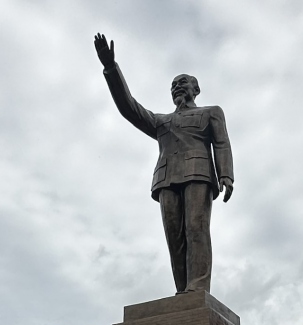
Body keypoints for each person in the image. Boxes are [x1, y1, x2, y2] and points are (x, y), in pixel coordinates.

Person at [94, 33, 234, 295]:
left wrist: (226, 174)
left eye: (182, 83)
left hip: (199, 174)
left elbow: (222, 143)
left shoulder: (211, 112)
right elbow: (129, 108)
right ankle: (183, 292)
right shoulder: (161, 122)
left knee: (196, 228)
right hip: (166, 179)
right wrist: (111, 68)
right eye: (173, 85)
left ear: (196, 88)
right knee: (174, 237)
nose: (177, 87)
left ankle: (198, 287)